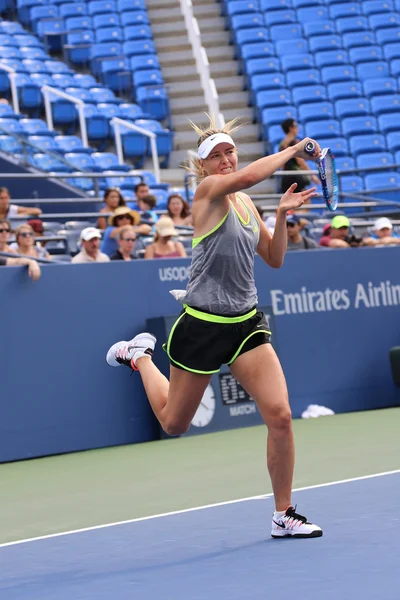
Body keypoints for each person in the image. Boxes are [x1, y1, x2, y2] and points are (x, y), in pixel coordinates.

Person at [106, 116, 322, 538]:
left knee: (280, 415)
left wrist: (279, 215)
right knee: (174, 424)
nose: (225, 160)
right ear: (202, 167)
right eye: (216, 156)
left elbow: (274, 258)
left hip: (245, 324)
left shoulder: (245, 204)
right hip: (202, 325)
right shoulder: (206, 193)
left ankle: (284, 514)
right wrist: (295, 151)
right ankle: (139, 356)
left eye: (229, 152)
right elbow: (251, 175)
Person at [278, 119, 319, 196]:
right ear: (290, 128)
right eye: (296, 126)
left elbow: (282, 164)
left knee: (292, 205)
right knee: (305, 204)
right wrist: (312, 175)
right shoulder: (295, 143)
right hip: (296, 177)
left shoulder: (282, 144)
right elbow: (300, 161)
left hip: (286, 177)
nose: (298, 128)